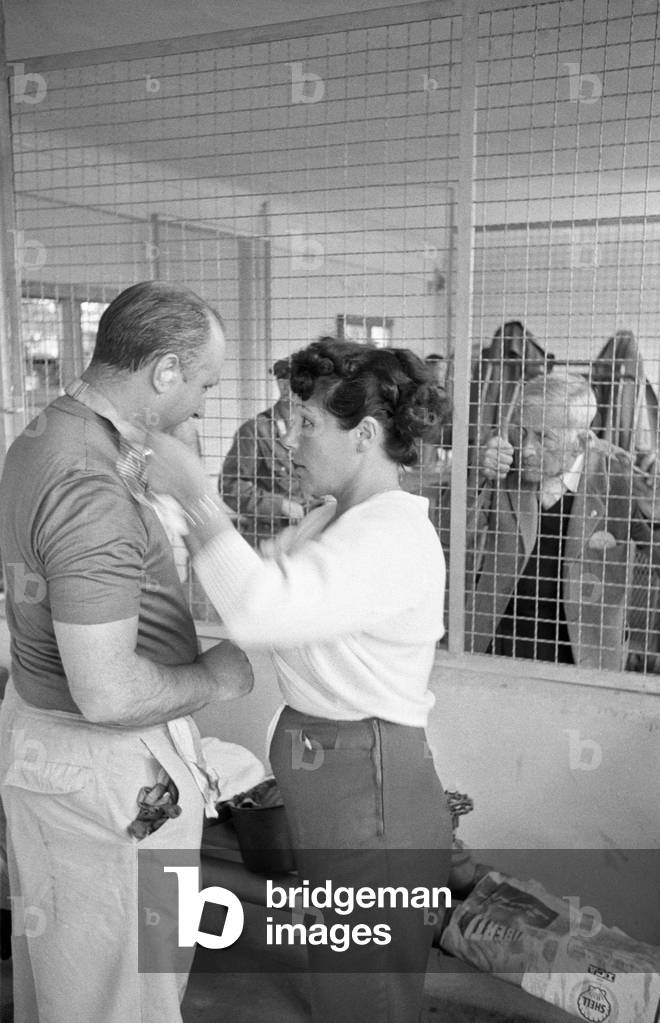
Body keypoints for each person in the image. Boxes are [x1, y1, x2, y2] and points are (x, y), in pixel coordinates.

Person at [145, 337, 454, 1023]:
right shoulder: (332, 516)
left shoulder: (389, 535)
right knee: (345, 973)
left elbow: (257, 609)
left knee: (365, 990)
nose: (289, 436)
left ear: (365, 435)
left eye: (308, 421)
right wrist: (173, 502)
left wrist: (193, 494)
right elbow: (247, 582)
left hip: (367, 784)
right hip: (335, 774)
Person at [0, 280, 254, 1023]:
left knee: (74, 978)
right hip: (105, 772)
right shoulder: (91, 481)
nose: (204, 404)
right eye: (203, 381)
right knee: (125, 994)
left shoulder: (48, 433)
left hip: (53, 747)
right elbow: (107, 693)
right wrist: (215, 674)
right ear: (165, 370)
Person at [467, 372, 660, 669]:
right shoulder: (502, 469)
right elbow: (448, 534)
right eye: (522, 432)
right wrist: (476, 474)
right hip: (498, 642)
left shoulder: (616, 480)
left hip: (584, 653)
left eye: (545, 438)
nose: (527, 449)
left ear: (582, 443)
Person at [220, 357, 307, 548]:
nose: (289, 388)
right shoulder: (256, 430)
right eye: (284, 382)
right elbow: (229, 486)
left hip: (309, 533)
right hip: (269, 537)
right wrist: (280, 506)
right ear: (282, 385)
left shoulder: (315, 429)